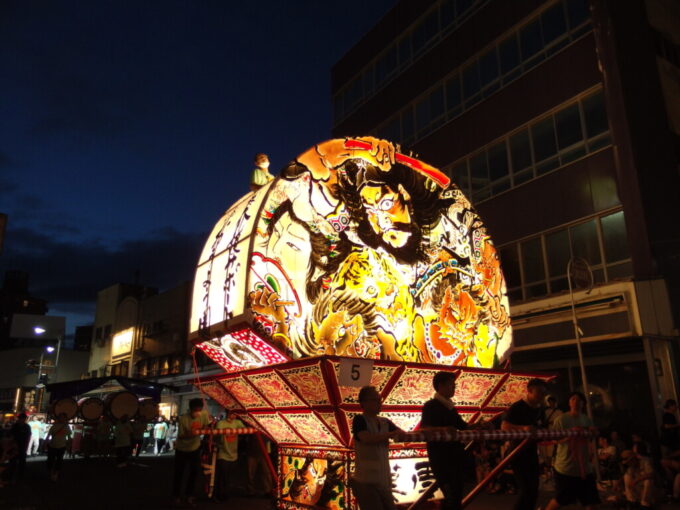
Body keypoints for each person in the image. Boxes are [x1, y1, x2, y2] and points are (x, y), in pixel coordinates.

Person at [421, 371, 473, 510]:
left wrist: (480, 425)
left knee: (455, 496)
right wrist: (444, 429)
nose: (454, 388)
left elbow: (463, 426)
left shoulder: (450, 407)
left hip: (455, 456)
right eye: (451, 385)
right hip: (441, 458)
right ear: (441, 386)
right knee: (451, 495)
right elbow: (425, 428)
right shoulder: (430, 406)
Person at [350, 385, 403, 510]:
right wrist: (390, 434)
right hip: (366, 481)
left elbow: (401, 434)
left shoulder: (385, 421)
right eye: (375, 400)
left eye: (380, 399)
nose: (380, 403)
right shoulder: (360, 420)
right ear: (364, 403)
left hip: (384, 480)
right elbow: (366, 438)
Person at [544, 392, 599, 510]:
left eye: (580, 400)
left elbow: (591, 438)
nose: (576, 402)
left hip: (584, 467)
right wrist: (569, 436)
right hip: (566, 467)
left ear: (583, 404)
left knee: (591, 501)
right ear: (569, 402)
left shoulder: (586, 420)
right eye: (573, 399)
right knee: (561, 500)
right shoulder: (561, 419)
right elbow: (553, 439)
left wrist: (591, 432)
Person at [501, 378, 548, 510]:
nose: (542, 396)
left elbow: (542, 427)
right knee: (527, 489)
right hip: (517, 452)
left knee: (533, 489)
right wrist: (524, 428)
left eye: (544, 393)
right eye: (539, 392)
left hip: (532, 451)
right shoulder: (517, 407)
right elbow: (504, 426)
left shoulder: (540, 409)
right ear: (529, 391)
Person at [172, 398, 210, 507]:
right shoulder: (183, 419)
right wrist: (192, 434)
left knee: (194, 473)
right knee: (179, 473)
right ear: (190, 409)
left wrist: (204, 429)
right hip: (182, 449)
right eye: (195, 410)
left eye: (199, 409)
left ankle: (190, 495)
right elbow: (181, 436)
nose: (197, 412)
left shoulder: (203, 415)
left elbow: (206, 426)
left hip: (195, 448)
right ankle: (176, 495)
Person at [213, 410, 245, 503]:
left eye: (235, 413)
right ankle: (218, 494)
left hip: (233, 453)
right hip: (223, 453)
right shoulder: (221, 423)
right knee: (222, 475)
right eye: (232, 413)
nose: (233, 415)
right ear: (227, 413)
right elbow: (217, 435)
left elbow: (243, 430)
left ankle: (225, 493)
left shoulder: (238, 422)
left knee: (229, 476)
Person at [47, 413, 72, 481]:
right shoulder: (54, 426)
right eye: (61, 417)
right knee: (51, 460)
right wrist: (46, 443)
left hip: (62, 446)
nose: (62, 419)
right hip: (53, 445)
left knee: (59, 460)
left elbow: (69, 437)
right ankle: (52, 473)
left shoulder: (67, 426)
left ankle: (56, 473)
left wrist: (69, 445)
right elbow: (48, 435)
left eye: (63, 417)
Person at [8, 413, 31, 484]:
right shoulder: (15, 426)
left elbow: (28, 437)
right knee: (13, 462)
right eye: (21, 418)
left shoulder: (27, 426)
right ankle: (12, 477)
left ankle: (20, 477)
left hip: (22, 447)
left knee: (22, 463)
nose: (22, 420)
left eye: (23, 419)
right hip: (14, 446)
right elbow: (11, 436)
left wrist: (26, 447)